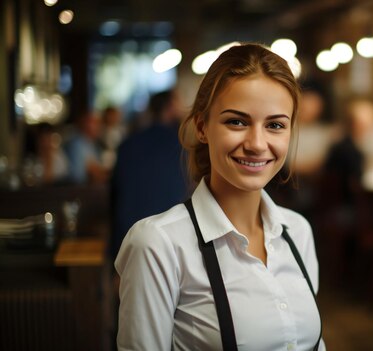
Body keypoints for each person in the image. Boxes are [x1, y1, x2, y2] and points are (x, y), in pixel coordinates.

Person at [115, 44, 323, 350]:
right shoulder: (158, 243)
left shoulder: (298, 232)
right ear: (202, 126)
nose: (256, 143)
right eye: (236, 122)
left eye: (275, 125)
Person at [109, 90, 188, 260]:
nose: (183, 110)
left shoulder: (127, 144)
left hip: (127, 238)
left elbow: (116, 194)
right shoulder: (181, 148)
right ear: (170, 107)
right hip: (172, 241)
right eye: (179, 104)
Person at [63, 110, 109, 184]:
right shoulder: (77, 145)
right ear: (84, 124)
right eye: (94, 123)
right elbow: (78, 177)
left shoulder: (92, 144)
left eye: (99, 123)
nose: (99, 127)